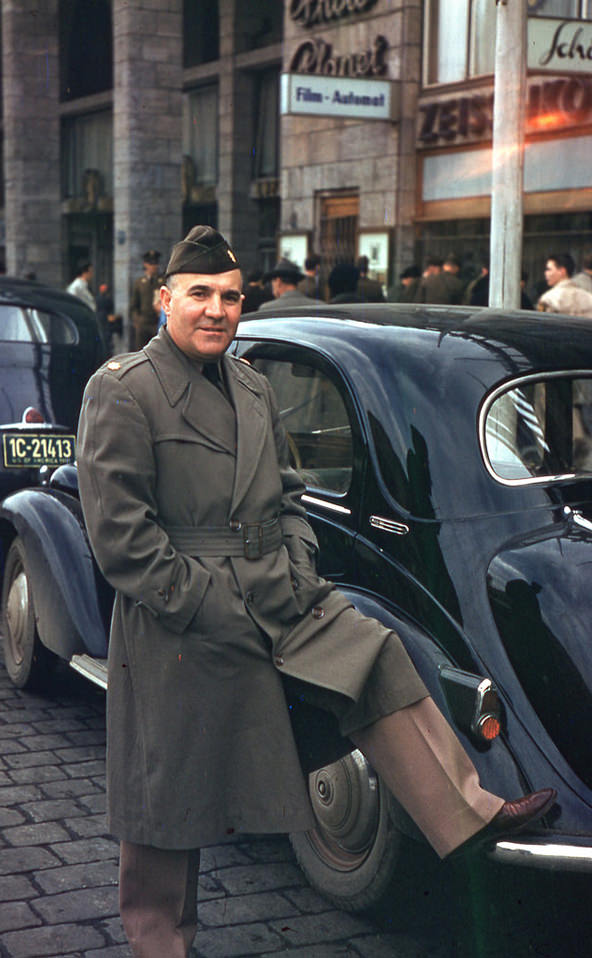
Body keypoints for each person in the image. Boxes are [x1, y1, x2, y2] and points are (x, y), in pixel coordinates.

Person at [76, 226, 556, 957]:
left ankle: (471, 812)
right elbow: (123, 542)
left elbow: (290, 494)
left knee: (377, 654)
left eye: (230, 297)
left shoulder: (252, 385)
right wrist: (209, 606)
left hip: (280, 588)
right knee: (166, 803)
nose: (215, 310)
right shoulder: (123, 391)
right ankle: (160, 943)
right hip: (183, 614)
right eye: (199, 294)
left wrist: (300, 565)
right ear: (164, 298)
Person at [537, 253, 592, 317]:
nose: (545, 273)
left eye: (549, 269)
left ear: (562, 271)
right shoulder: (589, 298)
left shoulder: (549, 299)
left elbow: (542, 324)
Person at [130, 249, 163, 349]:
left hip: (157, 322)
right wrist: (137, 321)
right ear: (146, 265)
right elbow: (134, 305)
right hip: (143, 323)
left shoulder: (162, 281)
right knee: (141, 351)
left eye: (155, 263)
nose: (154, 266)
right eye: (151, 263)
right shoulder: (139, 283)